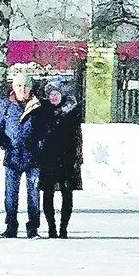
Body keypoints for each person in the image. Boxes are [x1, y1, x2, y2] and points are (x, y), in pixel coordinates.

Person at [0, 73, 52, 238]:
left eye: (25, 86)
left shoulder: (39, 105)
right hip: (13, 156)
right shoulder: (5, 106)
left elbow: (47, 129)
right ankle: (11, 226)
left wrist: (41, 144)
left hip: (34, 156)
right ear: (13, 88)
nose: (22, 89)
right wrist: (0, 141)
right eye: (18, 86)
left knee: (34, 194)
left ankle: (33, 228)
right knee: (10, 194)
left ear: (30, 88)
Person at [40, 80, 82, 238]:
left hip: (67, 158)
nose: (54, 97)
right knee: (48, 193)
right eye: (51, 94)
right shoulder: (43, 110)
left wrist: (78, 157)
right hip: (47, 158)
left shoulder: (71, 111)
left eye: (57, 93)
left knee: (67, 193)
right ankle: (51, 227)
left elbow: (77, 135)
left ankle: (63, 228)